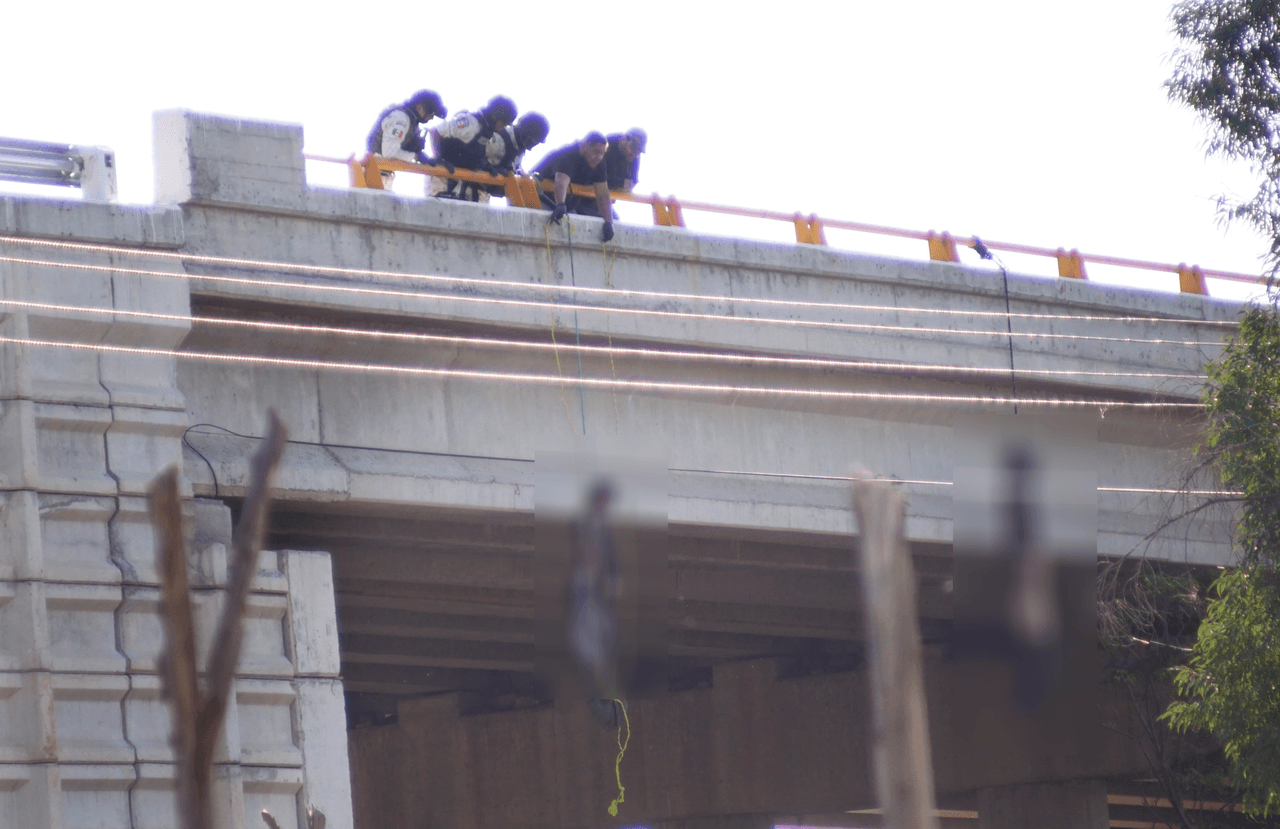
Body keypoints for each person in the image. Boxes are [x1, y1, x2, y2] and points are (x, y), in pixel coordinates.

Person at [427, 95, 517, 202]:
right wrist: (439, 158)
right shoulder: (470, 122)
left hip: (459, 182)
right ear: (495, 116)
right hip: (442, 180)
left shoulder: (486, 131)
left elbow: (471, 154)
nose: (504, 127)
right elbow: (435, 131)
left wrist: (484, 166)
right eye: (503, 122)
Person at [533, 132, 615, 242]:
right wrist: (561, 204)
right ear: (584, 145)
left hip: (564, 202)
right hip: (539, 195)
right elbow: (561, 182)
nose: (599, 157)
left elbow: (603, 194)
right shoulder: (569, 154)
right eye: (596, 152)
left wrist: (609, 222)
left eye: (602, 153)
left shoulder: (598, 162)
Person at [366, 90, 448, 188]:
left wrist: (426, 158)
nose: (431, 118)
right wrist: (416, 156)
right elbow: (389, 152)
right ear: (419, 108)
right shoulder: (401, 118)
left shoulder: (411, 120)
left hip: (382, 172)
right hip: (375, 172)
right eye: (431, 113)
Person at [483, 112, 550, 199]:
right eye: (534, 141)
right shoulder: (498, 140)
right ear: (527, 136)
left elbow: (515, 168)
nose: (533, 146)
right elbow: (473, 160)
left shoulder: (518, 147)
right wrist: (485, 167)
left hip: (485, 195)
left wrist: (531, 177)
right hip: (470, 189)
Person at [603, 128, 646, 192]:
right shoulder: (607, 144)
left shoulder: (635, 155)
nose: (634, 153)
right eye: (633, 147)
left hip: (610, 196)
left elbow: (633, 180)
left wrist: (628, 185)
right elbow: (599, 177)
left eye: (638, 150)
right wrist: (621, 184)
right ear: (623, 139)